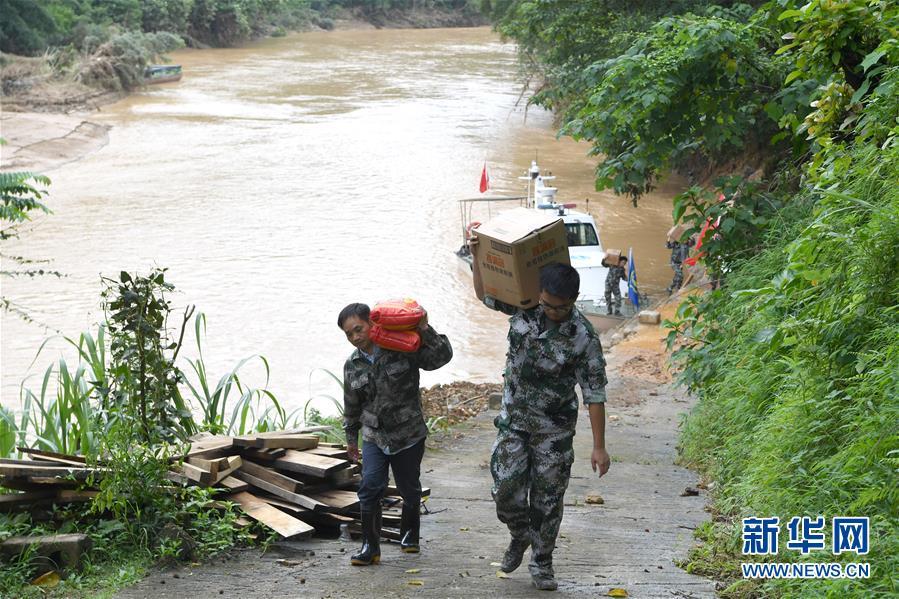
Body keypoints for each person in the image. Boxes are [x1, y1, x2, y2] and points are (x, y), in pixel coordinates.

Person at [471, 254, 610, 591]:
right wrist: (477, 255)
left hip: (553, 429)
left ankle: (542, 562)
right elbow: (483, 293)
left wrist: (599, 446)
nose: (550, 311)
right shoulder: (524, 308)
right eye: (546, 304)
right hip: (514, 421)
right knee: (505, 491)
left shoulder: (584, 337)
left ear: (573, 302)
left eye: (558, 308)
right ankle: (520, 536)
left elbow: (594, 392)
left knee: (547, 501)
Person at [338, 302, 453, 566]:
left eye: (359, 329)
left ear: (372, 324)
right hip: (374, 436)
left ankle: (410, 534)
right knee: (370, 488)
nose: (356, 337)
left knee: (409, 488)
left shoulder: (401, 347)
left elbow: (440, 358)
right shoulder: (352, 365)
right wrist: (350, 440)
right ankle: (370, 547)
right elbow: (351, 405)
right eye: (349, 334)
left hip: (408, 433)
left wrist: (425, 329)